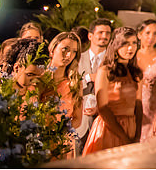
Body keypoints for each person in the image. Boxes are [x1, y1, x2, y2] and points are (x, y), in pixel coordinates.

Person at [83, 27, 143, 155]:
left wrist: (137, 135)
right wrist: (124, 137)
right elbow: (103, 108)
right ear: (116, 45)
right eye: (126, 43)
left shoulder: (135, 73)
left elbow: (138, 105)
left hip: (131, 127)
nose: (131, 48)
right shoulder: (105, 71)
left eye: (134, 43)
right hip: (109, 128)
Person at [77, 18, 113, 153]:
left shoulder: (113, 61)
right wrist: (88, 78)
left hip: (103, 122)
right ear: (90, 36)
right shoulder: (78, 58)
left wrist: (99, 108)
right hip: (79, 122)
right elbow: (69, 84)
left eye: (107, 33)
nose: (104, 36)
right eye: (100, 32)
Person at [45, 32, 82, 158]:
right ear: (52, 50)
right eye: (65, 49)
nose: (69, 55)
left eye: (74, 52)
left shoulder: (75, 83)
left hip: (63, 143)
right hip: (40, 139)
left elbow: (77, 119)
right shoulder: (39, 79)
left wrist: (62, 130)